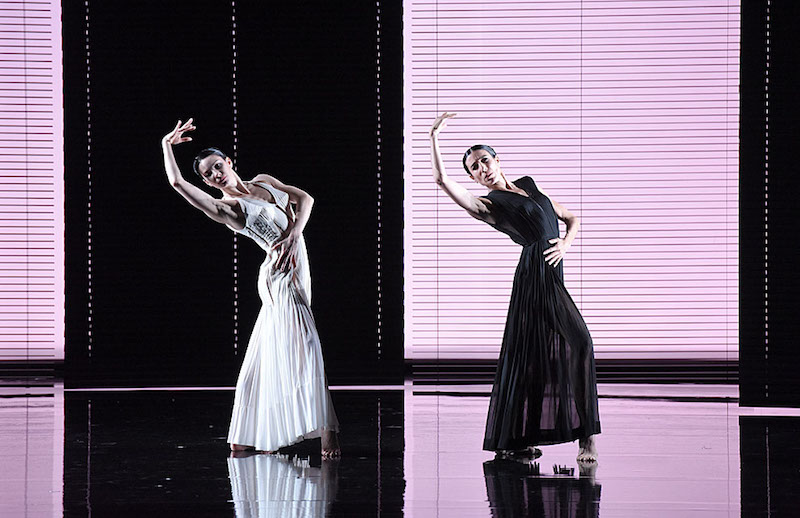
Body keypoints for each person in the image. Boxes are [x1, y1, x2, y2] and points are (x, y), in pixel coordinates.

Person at [161, 118, 340, 457]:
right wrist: (166, 147)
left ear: (228, 162)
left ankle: (245, 433)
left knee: (267, 350)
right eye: (208, 175)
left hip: (299, 266)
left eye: (217, 166)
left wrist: (295, 233)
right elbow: (176, 183)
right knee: (307, 345)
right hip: (280, 276)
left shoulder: (264, 181)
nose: (216, 174)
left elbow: (306, 199)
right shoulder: (229, 209)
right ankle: (328, 432)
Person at [429, 112, 600, 462]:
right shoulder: (489, 205)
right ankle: (586, 441)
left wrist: (566, 245)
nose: (482, 169)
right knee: (578, 343)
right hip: (533, 279)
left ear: (497, 159)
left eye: (484, 161)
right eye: (475, 168)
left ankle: (520, 441)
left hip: (552, 274)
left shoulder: (529, 185)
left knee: (543, 358)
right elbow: (442, 181)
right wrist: (434, 137)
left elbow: (572, 218)